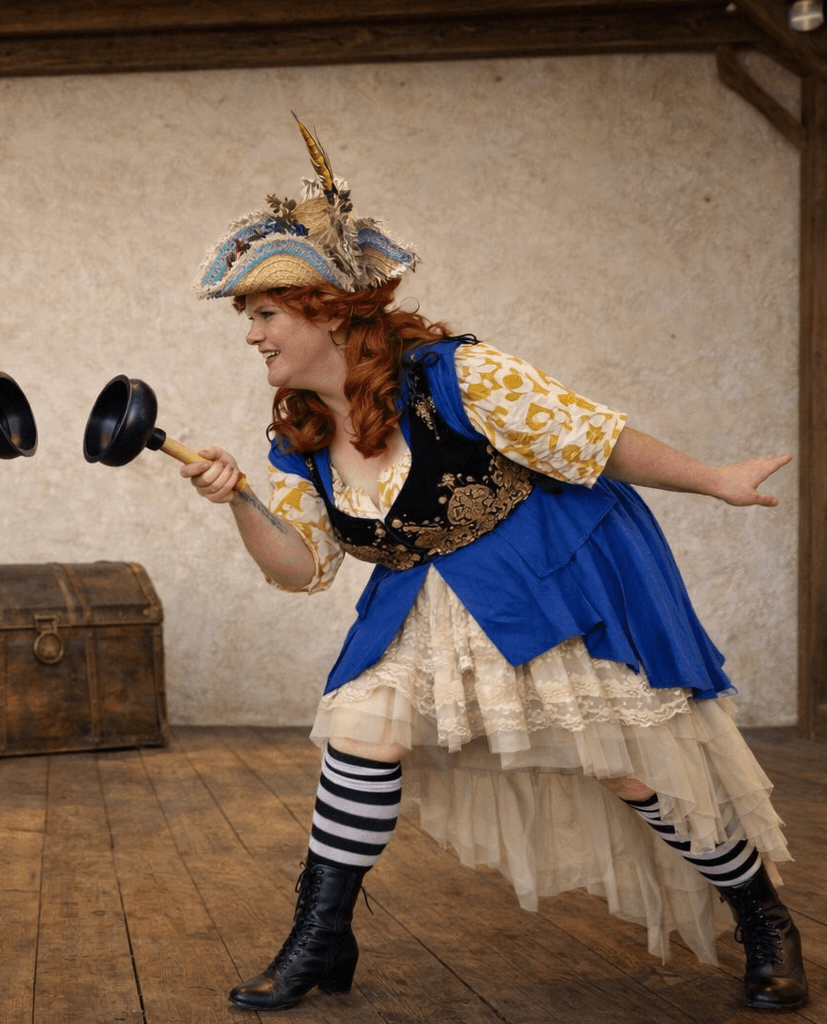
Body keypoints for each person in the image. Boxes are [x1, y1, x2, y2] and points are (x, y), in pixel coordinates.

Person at [181, 118, 808, 1013]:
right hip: (416, 602)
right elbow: (300, 569)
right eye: (249, 317)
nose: (253, 336)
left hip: (538, 584)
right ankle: (319, 939)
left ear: (329, 310)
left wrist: (717, 481)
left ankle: (764, 920)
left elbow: (595, 439)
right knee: (360, 730)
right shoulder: (301, 435)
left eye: (265, 314)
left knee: (627, 765)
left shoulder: (457, 375)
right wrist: (240, 498)